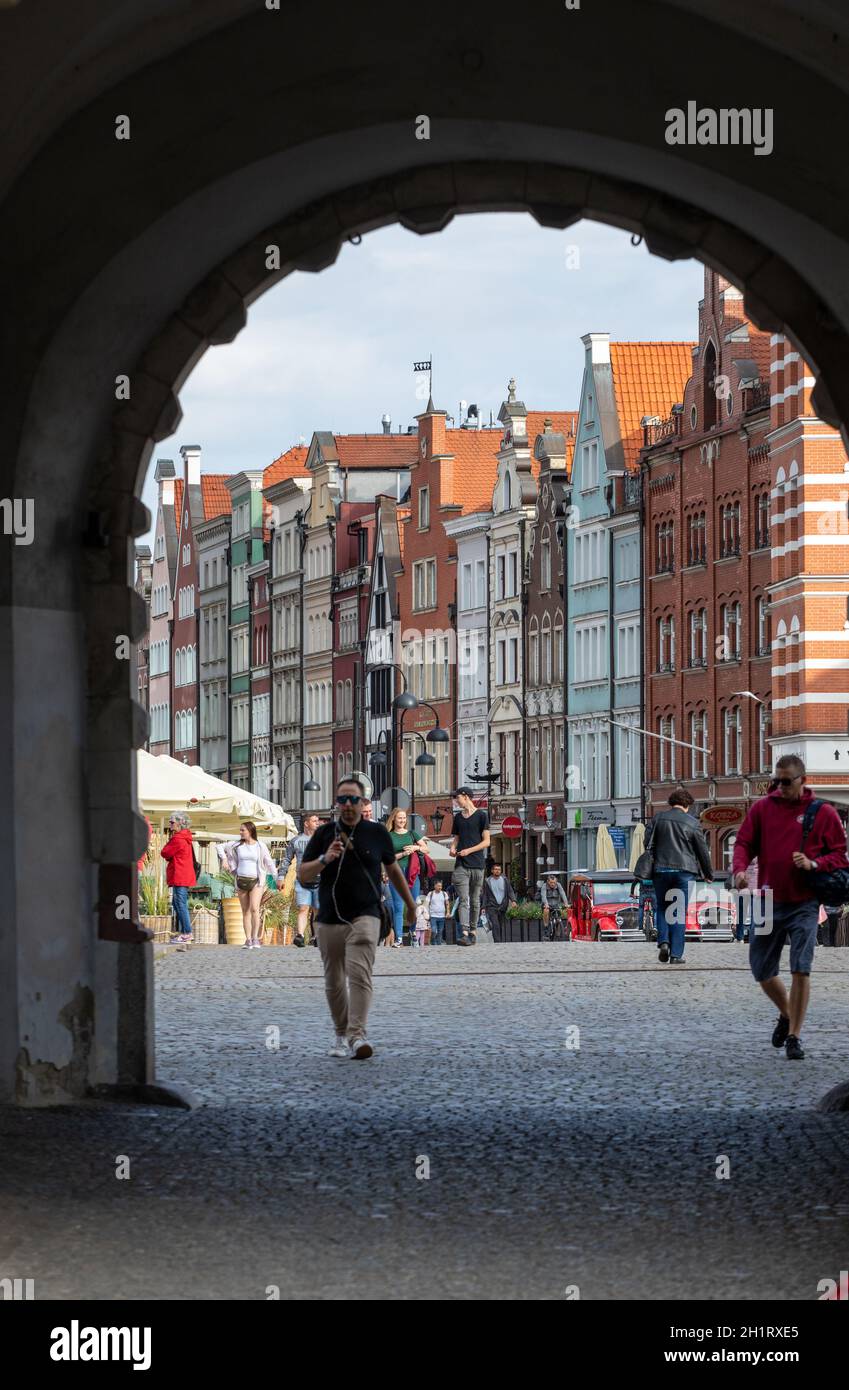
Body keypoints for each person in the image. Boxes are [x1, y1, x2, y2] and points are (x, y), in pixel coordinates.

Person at [733, 754, 849, 1060]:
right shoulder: (762, 809)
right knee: (761, 968)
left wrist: (814, 863)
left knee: (801, 967)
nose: (780, 787)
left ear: (803, 780)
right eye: (777, 781)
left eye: (786, 782)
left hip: (805, 902)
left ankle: (795, 1037)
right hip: (769, 899)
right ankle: (786, 1014)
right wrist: (740, 870)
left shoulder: (822, 812)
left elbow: (840, 855)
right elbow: (744, 843)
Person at [299, 776, 416, 1058]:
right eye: (343, 799)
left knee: (359, 974)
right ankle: (341, 1034)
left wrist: (411, 905)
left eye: (354, 799)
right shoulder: (324, 834)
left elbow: (394, 871)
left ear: (363, 802)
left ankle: (358, 1035)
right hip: (329, 917)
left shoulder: (377, 834)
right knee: (335, 980)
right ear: (336, 804)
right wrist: (326, 858)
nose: (348, 805)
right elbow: (304, 875)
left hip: (366, 914)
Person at [646, 787, 713, 964]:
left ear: (671, 803)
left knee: (661, 907)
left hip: (661, 870)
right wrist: (708, 873)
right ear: (687, 805)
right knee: (678, 911)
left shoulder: (658, 818)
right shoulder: (692, 823)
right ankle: (676, 954)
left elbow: (647, 842)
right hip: (685, 872)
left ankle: (664, 942)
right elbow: (702, 851)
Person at [222, 821, 278, 950]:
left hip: (256, 880)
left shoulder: (260, 846)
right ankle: (247, 939)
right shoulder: (237, 845)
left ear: (250, 831)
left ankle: (255, 938)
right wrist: (225, 859)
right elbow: (220, 847)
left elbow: (268, 862)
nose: (240, 832)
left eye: (243, 830)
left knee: (254, 909)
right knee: (245, 911)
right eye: (240, 830)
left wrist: (277, 877)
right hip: (241, 879)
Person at [449, 787, 491, 946]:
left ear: (466, 797)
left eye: (457, 797)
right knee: (464, 899)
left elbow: (487, 841)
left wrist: (469, 850)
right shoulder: (458, 817)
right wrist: (453, 848)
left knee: (474, 900)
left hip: (478, 864)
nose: (456, 801)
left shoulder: (481, 816)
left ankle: (473, 932)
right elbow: (456, 838)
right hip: (461, 865)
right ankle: (465, 932)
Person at [385, 807, 427, 947]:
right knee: (398, 906)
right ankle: (399, 939)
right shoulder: (389, 836)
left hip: (412, 872)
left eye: (404, 818)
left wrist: (415, 848)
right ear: (394, 819)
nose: (402, 820)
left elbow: (426, 848)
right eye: (399, 818)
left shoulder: (411, 834)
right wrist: (403, 854)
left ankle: (413, 931)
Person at [277, 813, 321, 947]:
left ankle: (317, 937)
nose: (317, 823)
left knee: (318, 910)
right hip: (302, 881)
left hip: (320, 880)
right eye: (314, 821)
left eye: (318, 821)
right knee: (303, 908)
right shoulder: (296, 841)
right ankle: (300, 936)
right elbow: (286, 859)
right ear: (306, 823)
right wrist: (281, 877)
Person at [160, 811, 197, 945]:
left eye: (172, 822)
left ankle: (187, 933)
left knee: (180, 904)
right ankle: (184, 933)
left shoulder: (178, 838)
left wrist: (170, 855)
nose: (170, 824)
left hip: (180, 875)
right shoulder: (185, 837)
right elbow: (169, 854)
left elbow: (165, 852)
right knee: (178, 904)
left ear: (180, 823)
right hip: (183, 874)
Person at [483, 863, 516, 943]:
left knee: (501, 925)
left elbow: (510, 891)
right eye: (496, 869)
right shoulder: (487, 881)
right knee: (495, 925)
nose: (497, 871)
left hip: (502, 906)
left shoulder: (505, 880)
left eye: (499, 869)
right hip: (492, 906)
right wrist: (483, 907)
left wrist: (513, 901)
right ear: (492, 871)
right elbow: (485, 895)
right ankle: (497, 942)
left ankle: (500, 941)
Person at [538, 875, 567, 941]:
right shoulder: (544, 886)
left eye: (554, 882)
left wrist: (566, 903)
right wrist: (546, 904)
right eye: (551, 882)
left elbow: (563, 893)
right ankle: (546, 926)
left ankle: (558, 931)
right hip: (547, 904)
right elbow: (543, 896)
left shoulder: (558, 885)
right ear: (548, 882)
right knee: (546, 911)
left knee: (558, 917)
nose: (553, 884)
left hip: (556, 904)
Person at [424, 879, 449, 945]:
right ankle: (433, 941)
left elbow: (447, 903)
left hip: (442, 916)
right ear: (435, 886)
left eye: (441, 886)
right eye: (438, 886)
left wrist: (448, 912)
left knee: (440, 931)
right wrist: (426, 913)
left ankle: (439, 943)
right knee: (434, 930)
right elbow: (426, 903)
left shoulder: (444, 893)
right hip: (433, 915)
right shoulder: (431, 893)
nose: (440, 887)